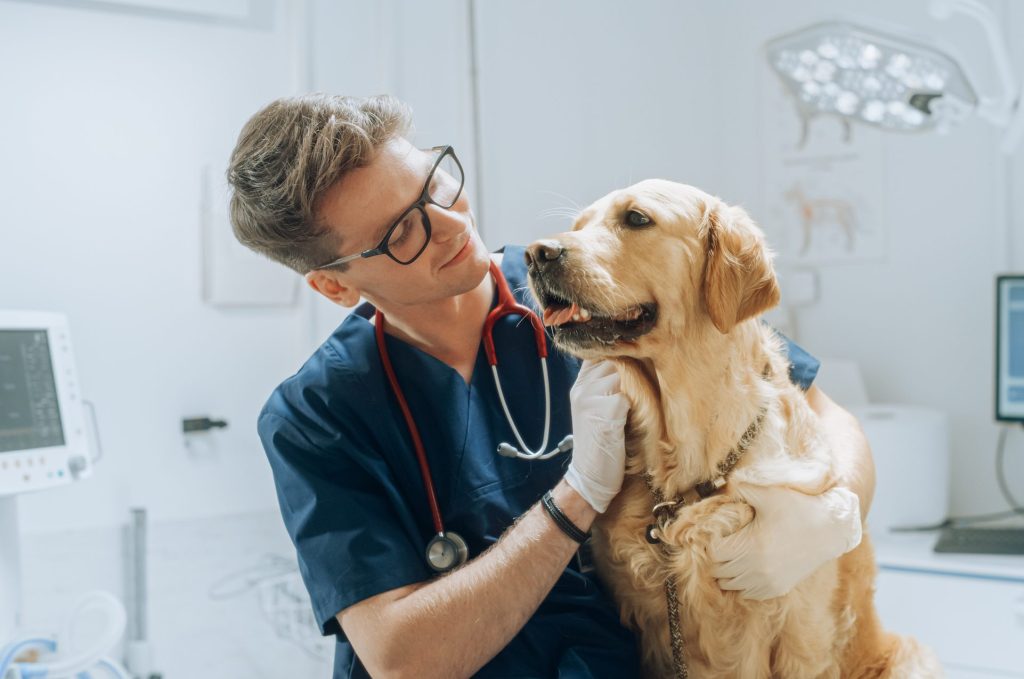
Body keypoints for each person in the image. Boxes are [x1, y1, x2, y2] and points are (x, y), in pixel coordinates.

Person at [226, 93, 875, 679]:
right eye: (402, 232)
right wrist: (576, 498)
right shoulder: (317, 414)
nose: (450, 224)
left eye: (436, 182)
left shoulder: (590, 297)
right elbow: (405, 658)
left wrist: (832, 514)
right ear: (335, 285)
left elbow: (823, 413)